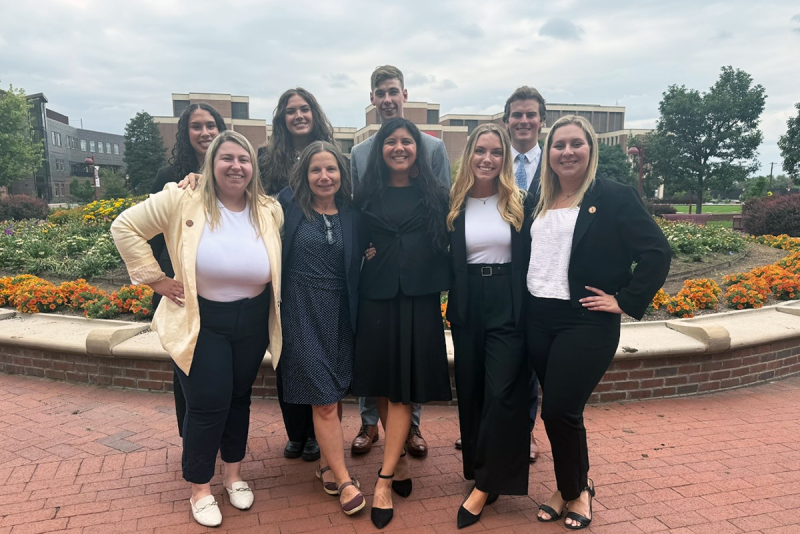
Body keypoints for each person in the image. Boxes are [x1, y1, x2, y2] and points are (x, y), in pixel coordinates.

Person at [111, 131, 283, 527]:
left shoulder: (268, 208)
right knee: (207, 403)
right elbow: (125, 227)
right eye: (227, 158)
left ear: (253, 168)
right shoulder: (182, 198)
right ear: (211, 164)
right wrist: (155, 280)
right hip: (202, 319)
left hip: (253, 319)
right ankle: (200, 487)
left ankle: (234, 475)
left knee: (240, 398)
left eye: (244, 159)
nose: (236, 166)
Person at [525, 116, 670, 529]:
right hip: (539, 317)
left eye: (576, 144)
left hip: (585, 320)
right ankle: (570, 486)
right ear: (548, 153)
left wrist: (625, 300)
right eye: (558, 145)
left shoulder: (613, 196)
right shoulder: (540, 197)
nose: (567, 152)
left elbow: (656, 252)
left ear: (591, 149)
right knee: (561, 412)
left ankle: (577, 492)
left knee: (558, 410)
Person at [352, 118, 451, 528]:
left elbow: (451, 240)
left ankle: (384, 478)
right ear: (380, 150)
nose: (398, 147)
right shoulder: (365, 195)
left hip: (417, 299)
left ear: (417, 149)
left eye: (406, 141)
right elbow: (353, 237)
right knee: (381, 382)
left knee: (403, 388)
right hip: (376, 297)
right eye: (390, 141)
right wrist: (367, 255)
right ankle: (401, 463)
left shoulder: (436, 194)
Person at [446, 124, 534, 529]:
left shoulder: (519, 203)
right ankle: (481, 471)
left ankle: (486, 484)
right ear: (469, 156)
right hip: (468, 305)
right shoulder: (455, 203)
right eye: (480, 151)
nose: (487, 158)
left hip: (508, 304)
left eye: (495, 152)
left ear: (505, 158)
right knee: (472, 391)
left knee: (502, 392)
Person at [276, 141, 365, 516]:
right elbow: (241, 202)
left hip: (342, 312)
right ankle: (345, 479)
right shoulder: (285, 207)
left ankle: (328, 462)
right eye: (316, 170)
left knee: (335, 390)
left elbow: (367, 250)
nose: (324, 176)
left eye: (331, 169)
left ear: (341, 174)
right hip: (301, 311)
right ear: (304, 175)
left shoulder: (352, 213)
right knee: (325, 400)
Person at [260, 88, 336, 461]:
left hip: (320, 257)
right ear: (282, 118)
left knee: (320, 351)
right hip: (281, 259)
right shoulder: (267, 160)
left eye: (305, 109)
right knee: (289, 350)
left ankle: (319, 433)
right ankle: (297, 431)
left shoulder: (331, 153)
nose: (299, 115)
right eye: (291, 111)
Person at [148, 103, 226, 436]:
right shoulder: (168, 178)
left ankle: (222, 436)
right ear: (185, 132)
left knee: (221, 369)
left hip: (221, 288)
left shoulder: (235, 172)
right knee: (185, 365)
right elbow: (149, 236)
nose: (205, 132)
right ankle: (191, 436)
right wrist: (157, 280)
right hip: (179, 288)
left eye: (211, 125)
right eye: (197, 126)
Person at [504, 85, 546, 461]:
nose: (524, 121)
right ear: (507, 121)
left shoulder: (555, 164)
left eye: (530, 114)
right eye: (517, 114)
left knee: (528, 359)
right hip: (498, 276)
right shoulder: (491, 161)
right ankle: (486, 428)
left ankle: (526, 431)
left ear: (541, 121)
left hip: (539, 275)